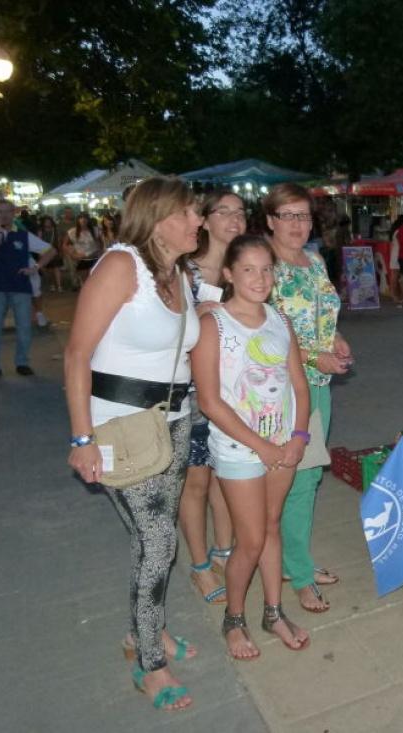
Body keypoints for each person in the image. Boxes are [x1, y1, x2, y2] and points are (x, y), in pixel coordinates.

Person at [63, 175, 202, 712]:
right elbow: (77, 355)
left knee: (153, 542)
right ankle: (149, 659)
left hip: (173, 422)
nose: (198, 220)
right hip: (119, 428)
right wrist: (82, 438)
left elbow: (180, 338)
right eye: (190, 212)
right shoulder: (121, 266)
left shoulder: (177, 270)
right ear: (160, 217)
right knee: (158, 544)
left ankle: (146, 630)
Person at [191, 234, 312, 659]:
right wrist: (261, 446)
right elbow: (210, 401)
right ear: (228, 274)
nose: (260, 278)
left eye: (266, 269)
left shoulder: (280, 320)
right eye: (248, 269)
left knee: (272, 528)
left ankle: (273, 612)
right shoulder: (214, 325)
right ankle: (234, 618)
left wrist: (299, 437)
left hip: (283, 447)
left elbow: (298, 383)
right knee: (250, 541)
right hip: (241, 450)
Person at [264, 182, 351, 613]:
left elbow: (320, 315)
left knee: (309, 476)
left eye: (303, 215)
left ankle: (296, 561)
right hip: (283, 390)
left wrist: (335, 339)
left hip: (318, 386)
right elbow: (264, 335)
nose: (298, 224)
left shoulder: (314, 260)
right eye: (287, 215)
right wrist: (316, 356)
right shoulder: (265, 268)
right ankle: (296, 574)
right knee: (293, 479)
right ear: (269, 221)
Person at [178, 188, 248, 608]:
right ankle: (201, 565)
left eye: (241, 212)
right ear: (204, 218)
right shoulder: (185, 271)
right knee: (197, 480)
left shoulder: (246, 264)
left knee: (227, 474)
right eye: (225, 211)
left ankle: (224, 551)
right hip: (190, 389)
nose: (236, 219)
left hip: (237, 387)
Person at [0, 198, 59, 380]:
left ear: (14, 212)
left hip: (20, 287)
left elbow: (51, 251)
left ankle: (22, 363)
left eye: (7, 211)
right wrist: (0, 234)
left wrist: (36, 267)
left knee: (24, 328)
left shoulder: (24, 235)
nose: (4, 215)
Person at [64, 212, 101, 289]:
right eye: (81, 220)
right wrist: (72, 254)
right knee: (85, 281)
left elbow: (101, 243)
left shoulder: (95, 230)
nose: (83, 222)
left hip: (94, 257)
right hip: (82, 259)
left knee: (95, 280)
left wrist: (99, 251)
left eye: (85, 220)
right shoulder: (72, 232)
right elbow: (64, 245)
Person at [53, 207, 79, 291]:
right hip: (66, 246)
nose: (68, 214)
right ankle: (74, 283)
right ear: (64, 213)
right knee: (71, 266)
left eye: (70, 212)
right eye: (67, 212)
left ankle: (78, 282)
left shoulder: (75, 223)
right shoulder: (61, 224)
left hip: (76, 246)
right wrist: (60, 249)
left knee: (77, 265)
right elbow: (59, 237)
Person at [38, 215, 65, 292]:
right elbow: (38, 242)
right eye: (46, 222)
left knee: (56, 268)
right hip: (45, 252)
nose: (48, 223)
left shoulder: (55, 230)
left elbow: (59, 241)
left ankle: (59, 286)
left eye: (49, 221)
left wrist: (60, 251)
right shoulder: (41, 231)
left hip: (55, 251)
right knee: (50, 270)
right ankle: (52, 284)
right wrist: (40, 253)